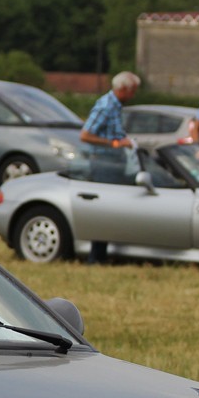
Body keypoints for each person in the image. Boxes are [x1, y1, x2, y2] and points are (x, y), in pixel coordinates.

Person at [78, 72, 140, 263]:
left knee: (110, 210)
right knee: (103, 210)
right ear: (123, 89)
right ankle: (95, 257)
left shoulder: (116, 106)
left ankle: (102, 255)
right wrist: (114, 144)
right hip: (103, 165)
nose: (133, 95)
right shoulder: (106, 106)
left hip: (114, 165)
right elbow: (86, 135)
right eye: (132, 91)